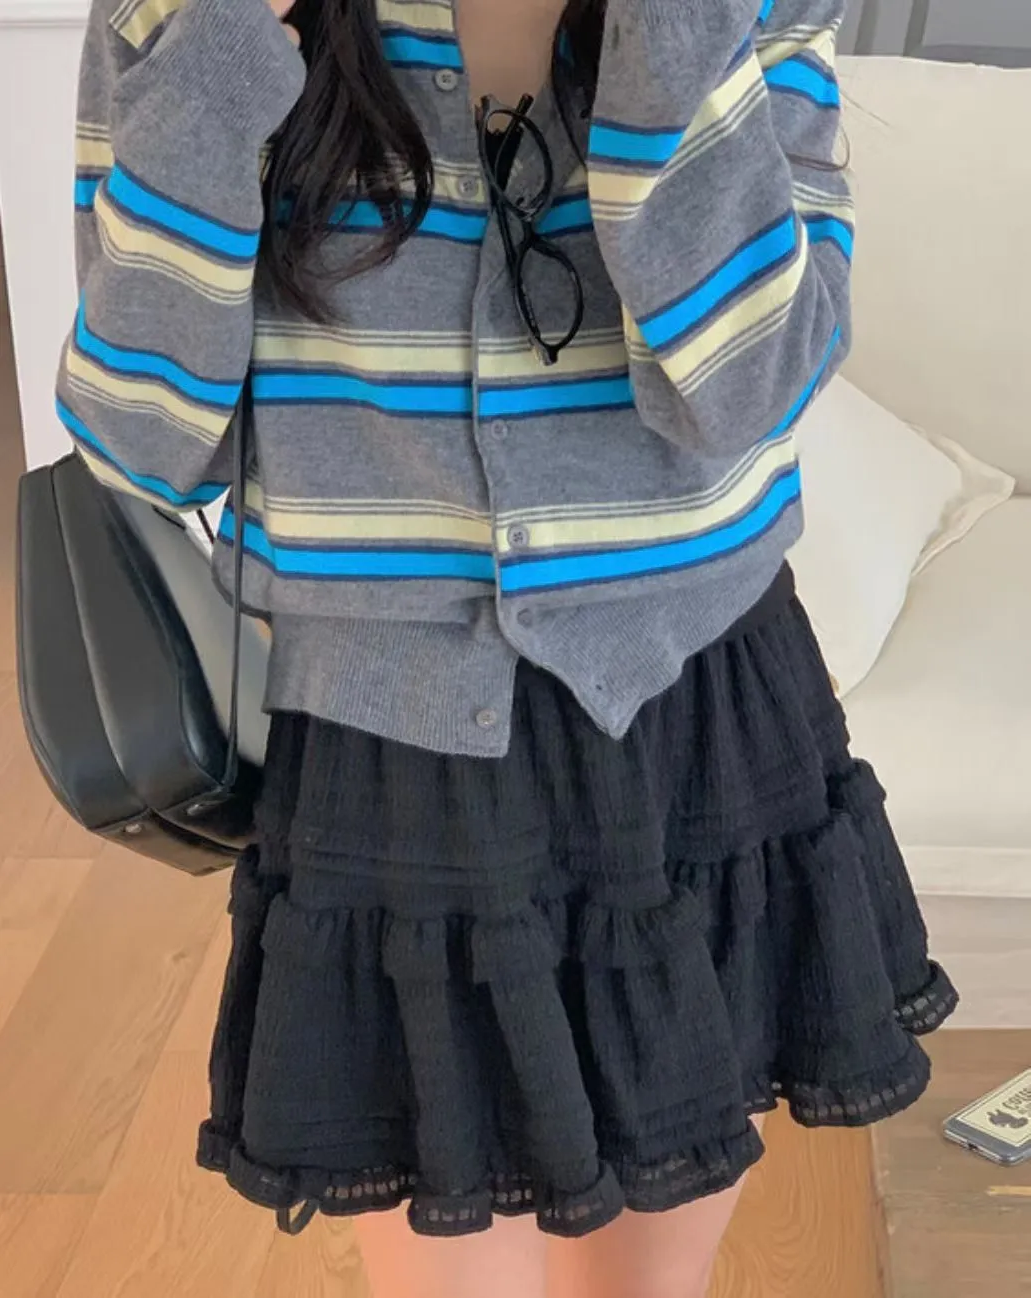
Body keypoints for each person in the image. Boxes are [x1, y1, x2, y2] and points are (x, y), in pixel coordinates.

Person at [58, 0, 958, 1293]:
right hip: (390, 746)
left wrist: (670, 44)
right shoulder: (182, 15)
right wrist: (216, 75)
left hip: (695, 710)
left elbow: (750, 390)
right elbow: (140, 436)